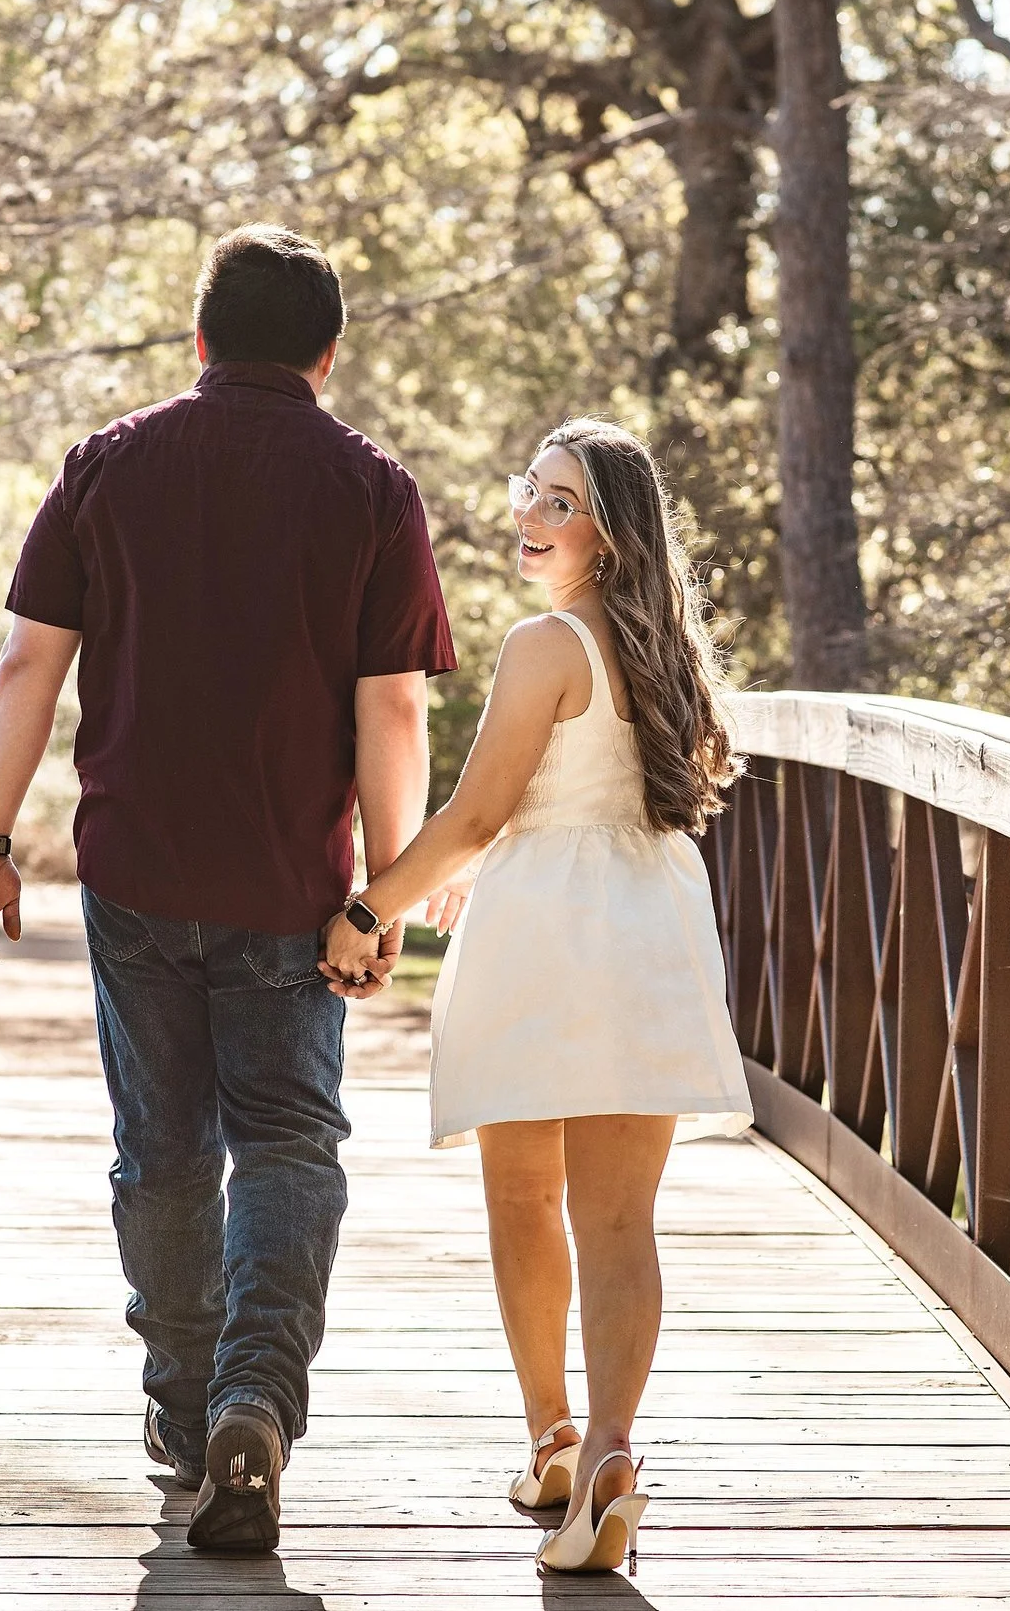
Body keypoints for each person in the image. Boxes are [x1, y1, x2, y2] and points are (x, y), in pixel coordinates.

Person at [0, 224, 455, 1555]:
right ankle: (254, 1406)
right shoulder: (372, 489)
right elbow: (393, 710)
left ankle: (183, 1413)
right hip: (293, 882)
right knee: (288, 1141)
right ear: (327, 358)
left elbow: (24, 671)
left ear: (199, 341)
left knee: (163, 1150)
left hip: (136, 871)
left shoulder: (107, 464)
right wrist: (383, 893)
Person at [319, 418, 753, 1576]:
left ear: (608, 535)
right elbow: (584, 794)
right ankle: (606, 1460)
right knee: (618, 1218)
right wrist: (465, 871)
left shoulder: (542, 643)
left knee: (522, 1198)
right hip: (649, 920)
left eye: (559, 502)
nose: (529, 516)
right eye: (530, 491)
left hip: (544, 933)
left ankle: (554, 1436)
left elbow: (478, 813)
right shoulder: (665, 647)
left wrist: (371, 910)